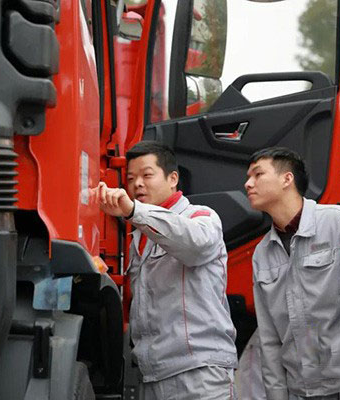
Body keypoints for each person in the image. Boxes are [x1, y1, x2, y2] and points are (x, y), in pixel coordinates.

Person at [98, 141, 238, 400]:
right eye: (131, 178)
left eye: (147, 175)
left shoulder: (201, 216)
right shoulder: (139, 235)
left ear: (173, 178)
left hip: (199, 373)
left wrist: (134, 211)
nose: (137, 184)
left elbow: (195, 245)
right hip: (152, 376)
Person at [245, 147, 340, 400]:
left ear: (287, 179)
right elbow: (269, 338)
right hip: (301, 391)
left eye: (258, 174)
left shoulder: (339, 223)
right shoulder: (263, 253)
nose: (248, 184)